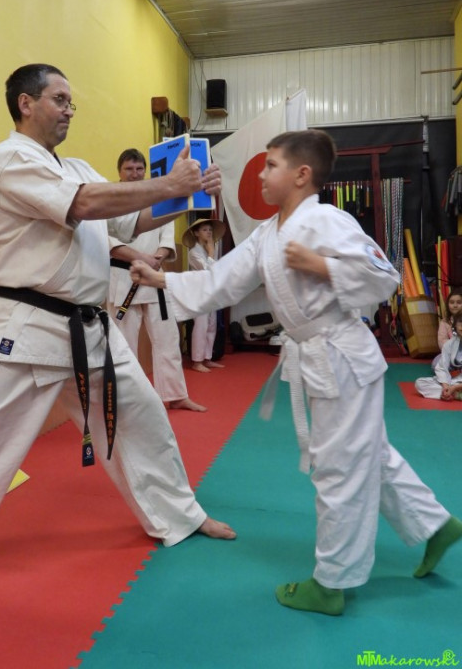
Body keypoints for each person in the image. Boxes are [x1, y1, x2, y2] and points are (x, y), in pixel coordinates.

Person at [0, 63, 236, 597]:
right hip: (27, 327)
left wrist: (188, 195)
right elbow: (83, 204)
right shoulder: (8, 160)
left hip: (90, 328)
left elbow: (127, 221)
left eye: (71, 102)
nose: (69, 110)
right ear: (26, 103)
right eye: (59, 99)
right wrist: (166, 184)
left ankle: (179, 514)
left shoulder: (76, 166)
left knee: (142, 417)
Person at [130, 128, 462, 616]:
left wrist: (321, 266)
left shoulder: (327, 220)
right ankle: (436, 525)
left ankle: (331, 582)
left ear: (302, 174)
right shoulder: (268, 233)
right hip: (321, 358)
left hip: (342, 359)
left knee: (338, 468)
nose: (262, 175)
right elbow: (223, 281)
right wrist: (162, 279)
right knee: (368, 452)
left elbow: (384, 276)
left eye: (271, 166)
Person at [108, 148, 206, 412]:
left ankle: (176, 395)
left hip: (154, 279)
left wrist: (157, 257)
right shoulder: (111, 199)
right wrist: (140, 258)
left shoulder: (156, 197)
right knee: (123, 344)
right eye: (129, 169)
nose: (135, 173)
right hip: (124, 277)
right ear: (119, 171)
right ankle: (126, 401)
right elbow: (109, 241)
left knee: (168, 340)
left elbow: (166, 235)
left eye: (139, 169)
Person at [182, 218, 226, 373]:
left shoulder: (209, 249)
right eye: (204, 230)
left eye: (210, 230)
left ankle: (207, 358)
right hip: (198, 293)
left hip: (210, 291)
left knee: (211, 325)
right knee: (201, 326)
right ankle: (197, 361)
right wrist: (212, 253)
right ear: (196, 233)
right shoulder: (194, 252)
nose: (209, 232)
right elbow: (208, 271)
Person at [415, 311, 462, 400]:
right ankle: (452, 394)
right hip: (455, 381)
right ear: (455, 325)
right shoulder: (449, 344)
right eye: (461, 322)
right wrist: (446, 386)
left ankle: (452, 392)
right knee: (420, 383)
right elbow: (442, 367)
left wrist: (455, 387)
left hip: (458, 384)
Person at [431, 287, 462, 370]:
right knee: (436, 363)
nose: (455, 305)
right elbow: (441, 340)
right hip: (450, 353)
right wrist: (454, 347)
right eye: (452, 302)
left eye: (459, 302)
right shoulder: (445, 322)